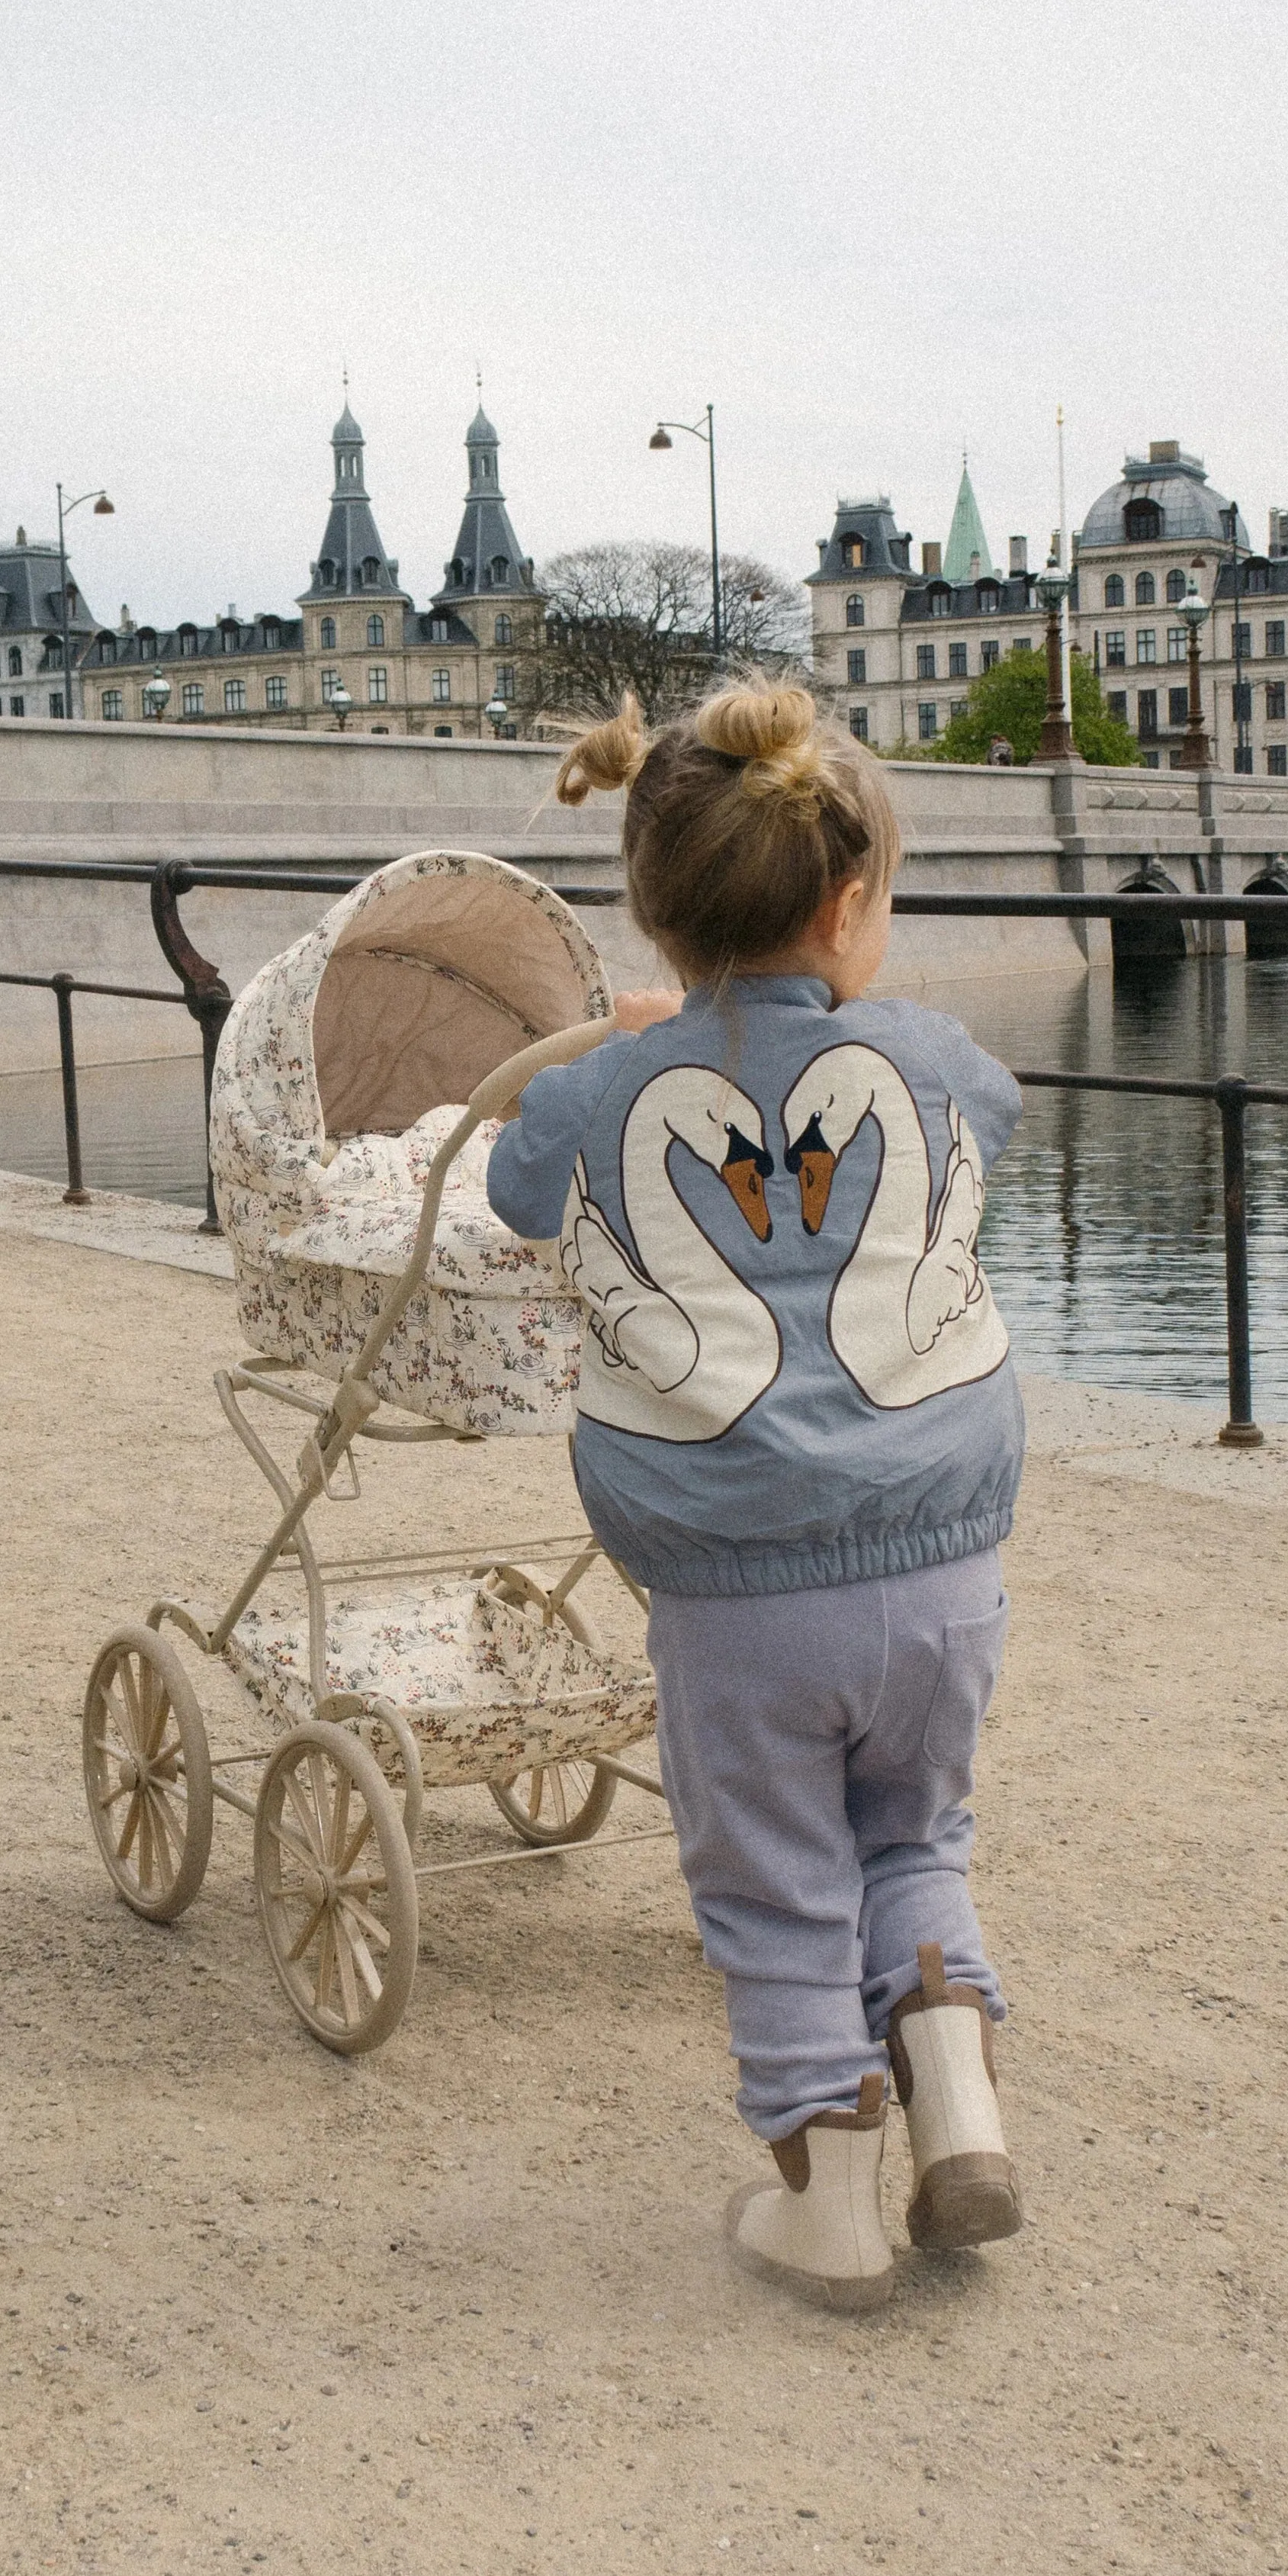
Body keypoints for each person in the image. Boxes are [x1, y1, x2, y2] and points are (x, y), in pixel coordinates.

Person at [487, 679, 1027, 2313]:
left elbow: (518, 1185)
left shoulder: (601, 1094)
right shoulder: (934, 1060)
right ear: (851, 898)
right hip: (944, 1564)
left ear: (653, 907)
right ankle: (960, 2097)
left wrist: (648, 1044)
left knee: (775, 1871)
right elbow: (988, 1108)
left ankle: (829, 2205)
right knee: (913, 1832)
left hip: (734, 1586)